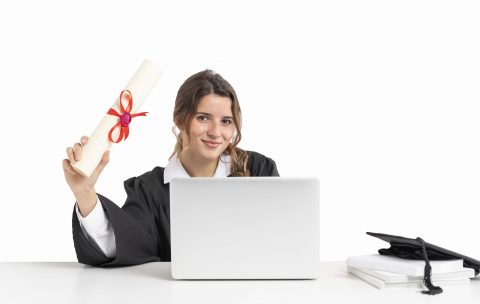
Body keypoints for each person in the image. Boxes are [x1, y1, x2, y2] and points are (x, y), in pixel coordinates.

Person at [63, 69, 280, 267]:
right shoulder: (150, 191)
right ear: (180, 120)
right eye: (203, 118)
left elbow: (281, 241)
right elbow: (124, 246)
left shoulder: (257, 170)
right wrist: (85, 194)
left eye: (226, 121)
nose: (216, 132)